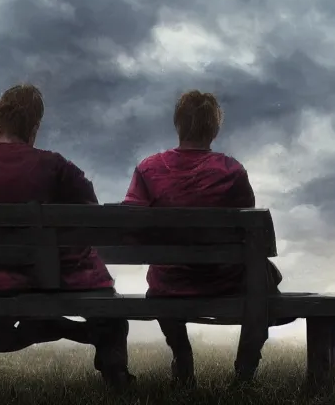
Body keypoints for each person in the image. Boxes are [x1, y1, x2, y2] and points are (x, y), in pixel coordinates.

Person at [0, 83, 134, 388]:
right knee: (111, 315)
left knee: (18, 320)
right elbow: (91, 218)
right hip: (49, 281)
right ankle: (117, 377)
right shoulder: (56, 168)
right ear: (34, 128)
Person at [122, 90, 291, 387]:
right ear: (214, 129)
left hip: (170, 283)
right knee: (264, 279)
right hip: (224, 281)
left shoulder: (149, 169)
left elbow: (129, 225)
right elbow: (249, 234)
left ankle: (182, 354)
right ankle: (245, 370)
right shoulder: (231, 171)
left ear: (178, 125)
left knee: (164, 276)